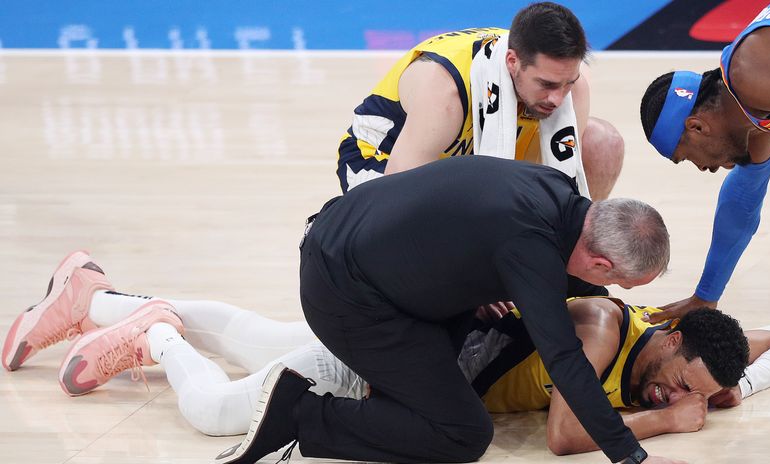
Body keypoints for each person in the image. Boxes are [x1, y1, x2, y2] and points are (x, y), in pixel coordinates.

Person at [3, 252, 770, 457]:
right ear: (664, 337)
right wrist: (673, 427)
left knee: (258, 336)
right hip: (399, 362)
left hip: (415, 340)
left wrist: (730, 383)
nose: (670, 396)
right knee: (218, 412)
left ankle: (92, 294)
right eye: (673, 382)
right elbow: (566, 437)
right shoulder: (601, 327)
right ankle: (155, 336)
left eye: (679, 395)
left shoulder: (677, 353)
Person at [217, 155, 672, 464]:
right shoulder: (530, 249)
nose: (606, 288)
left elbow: (482, 237)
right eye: (613, 281)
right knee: (464, 434)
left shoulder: (556, 190)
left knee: (433, 403)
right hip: (344, 292)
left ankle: (380, 402)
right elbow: (564, 357)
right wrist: (629, 454)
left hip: (356, 245)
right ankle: (297, 413)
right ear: (599, 262)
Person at [639, 0, 770, 322]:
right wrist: (706, 296)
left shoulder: (754, 77)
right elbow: (742, 203)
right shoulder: (757, 111)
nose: (704, 169)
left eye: (687, 158)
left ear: (696, 127)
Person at [338, 2, 624, 200]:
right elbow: (397, 198)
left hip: (469, 159)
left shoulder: (571, 90)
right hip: (385, 161)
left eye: (567, 83)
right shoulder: (446, 92)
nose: (558, 98)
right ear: (513, 62)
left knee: (602, 143)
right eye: (546, 84)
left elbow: (550, 182)